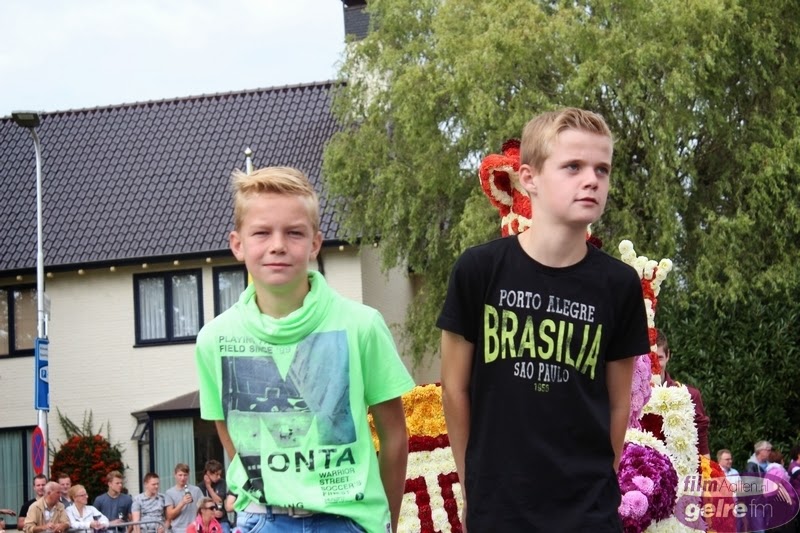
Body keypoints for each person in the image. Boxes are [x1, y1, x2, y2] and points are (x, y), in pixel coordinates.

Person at [438, 108, 650, 531]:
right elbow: (455, 390)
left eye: (602, 169)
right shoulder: (478, 271)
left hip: (588, 515)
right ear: (529, 178)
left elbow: (618, 403)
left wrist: (597, 488)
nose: (592, 180)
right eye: (573, 166)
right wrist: (472, 483)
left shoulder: (619, 285)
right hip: (499, 509)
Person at [195, 166, 415, 533]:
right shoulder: (214, 340)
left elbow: (395, 438)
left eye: (294, 233)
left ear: (315, 243)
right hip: (261, 521)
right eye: (262, 232)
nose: (278, 245)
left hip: (347, 522)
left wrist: (382, 524)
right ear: (237, 244)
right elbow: (231, 435)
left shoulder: (362, 325)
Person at [654, 329, 711, 457]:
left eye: (659, 358)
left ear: (668, 356)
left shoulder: (690, 395)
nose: (655, 364)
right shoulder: (633, 397)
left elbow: (701, 437)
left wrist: (707, 465)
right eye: (650, 358)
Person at [164, 463, 202, 533]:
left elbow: (203, 508)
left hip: (194, 528)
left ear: (188, 475)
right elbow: (170, 516)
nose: (182, 478)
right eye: (180, 475)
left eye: (185, 475)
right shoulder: (169, 492)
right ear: (175, 475)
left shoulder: (196, 490)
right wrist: (182, 503)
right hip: (177, 529)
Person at [198, 461, 228, 533]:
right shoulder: (200, 487)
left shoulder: (221, 482)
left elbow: (219, 501)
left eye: (220, 474)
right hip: (206, 521)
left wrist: (209, 487)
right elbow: (201, 506)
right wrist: (212, 513)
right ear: (208, 473)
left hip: (221, 520)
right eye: (216, 474)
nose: (219, 477)